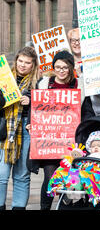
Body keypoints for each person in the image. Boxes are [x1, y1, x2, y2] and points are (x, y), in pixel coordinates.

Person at [29, 50, 82, 210]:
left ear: (71, 68)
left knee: (69, 178)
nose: (61, 70)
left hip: (71, 141)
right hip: (49, 141)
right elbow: (36, 110)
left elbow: (86, 110)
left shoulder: (79, 85)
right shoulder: (44, 84)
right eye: (58, 67)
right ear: (53, 67)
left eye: (65, 67)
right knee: (50, 177)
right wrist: (32, 123)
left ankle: (65, 206)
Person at [0, 47, 40, 210]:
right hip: (6, 128)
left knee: (22, 175)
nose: (23, 65)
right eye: (20, 61)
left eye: (27, 62)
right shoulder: (4, 78)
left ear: (33, 65)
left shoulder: (38, 83)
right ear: (16, 61)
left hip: (27, 128)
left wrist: (32, 101)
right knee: (1, 175)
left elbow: (46, 106)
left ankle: (18, 207)